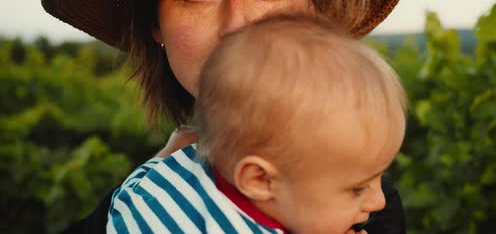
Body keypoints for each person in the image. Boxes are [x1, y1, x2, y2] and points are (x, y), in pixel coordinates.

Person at [42, 0, 412, 233]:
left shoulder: (367, 211)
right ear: (155, 22)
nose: (238, 25)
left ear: (311, 10)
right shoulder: (126, 211)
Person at [108, 15, 407, 234]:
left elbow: (127, 194)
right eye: (357, 189)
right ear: (260, 180)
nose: (378, 201)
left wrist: (163, 156)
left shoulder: (166, 170)